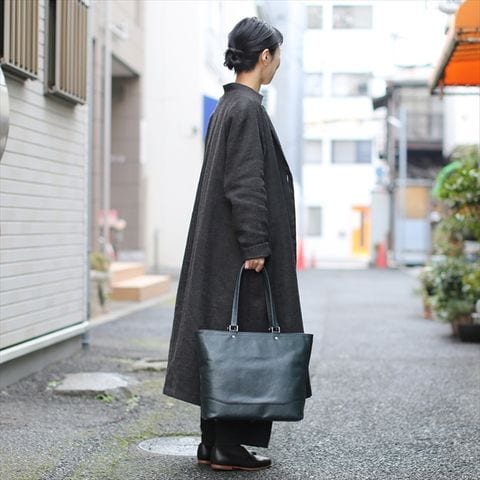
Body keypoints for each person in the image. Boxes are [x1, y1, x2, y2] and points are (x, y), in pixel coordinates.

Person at [163, 16, 310, 471]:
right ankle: (227, 445)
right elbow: (245, 182)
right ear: (264, 56)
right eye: (277, 55)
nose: (278, 63)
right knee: (244, 338)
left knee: (226, 339)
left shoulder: (228, 106)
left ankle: (213, 442)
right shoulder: (247, 109)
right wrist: (255, 243)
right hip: (238, 252)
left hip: (221, 248)